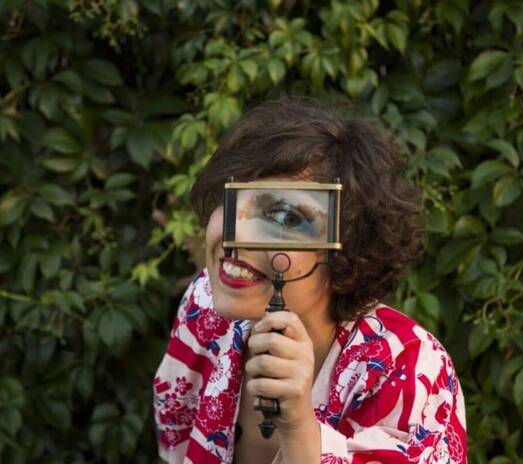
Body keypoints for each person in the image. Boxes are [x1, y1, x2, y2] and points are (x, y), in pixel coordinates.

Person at [152, 96, 467, 464]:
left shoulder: (412, 370)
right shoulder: (204, 304)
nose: (237, 237)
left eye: (286, 218)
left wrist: (299, 428)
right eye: (232, 200)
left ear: (349, 252)